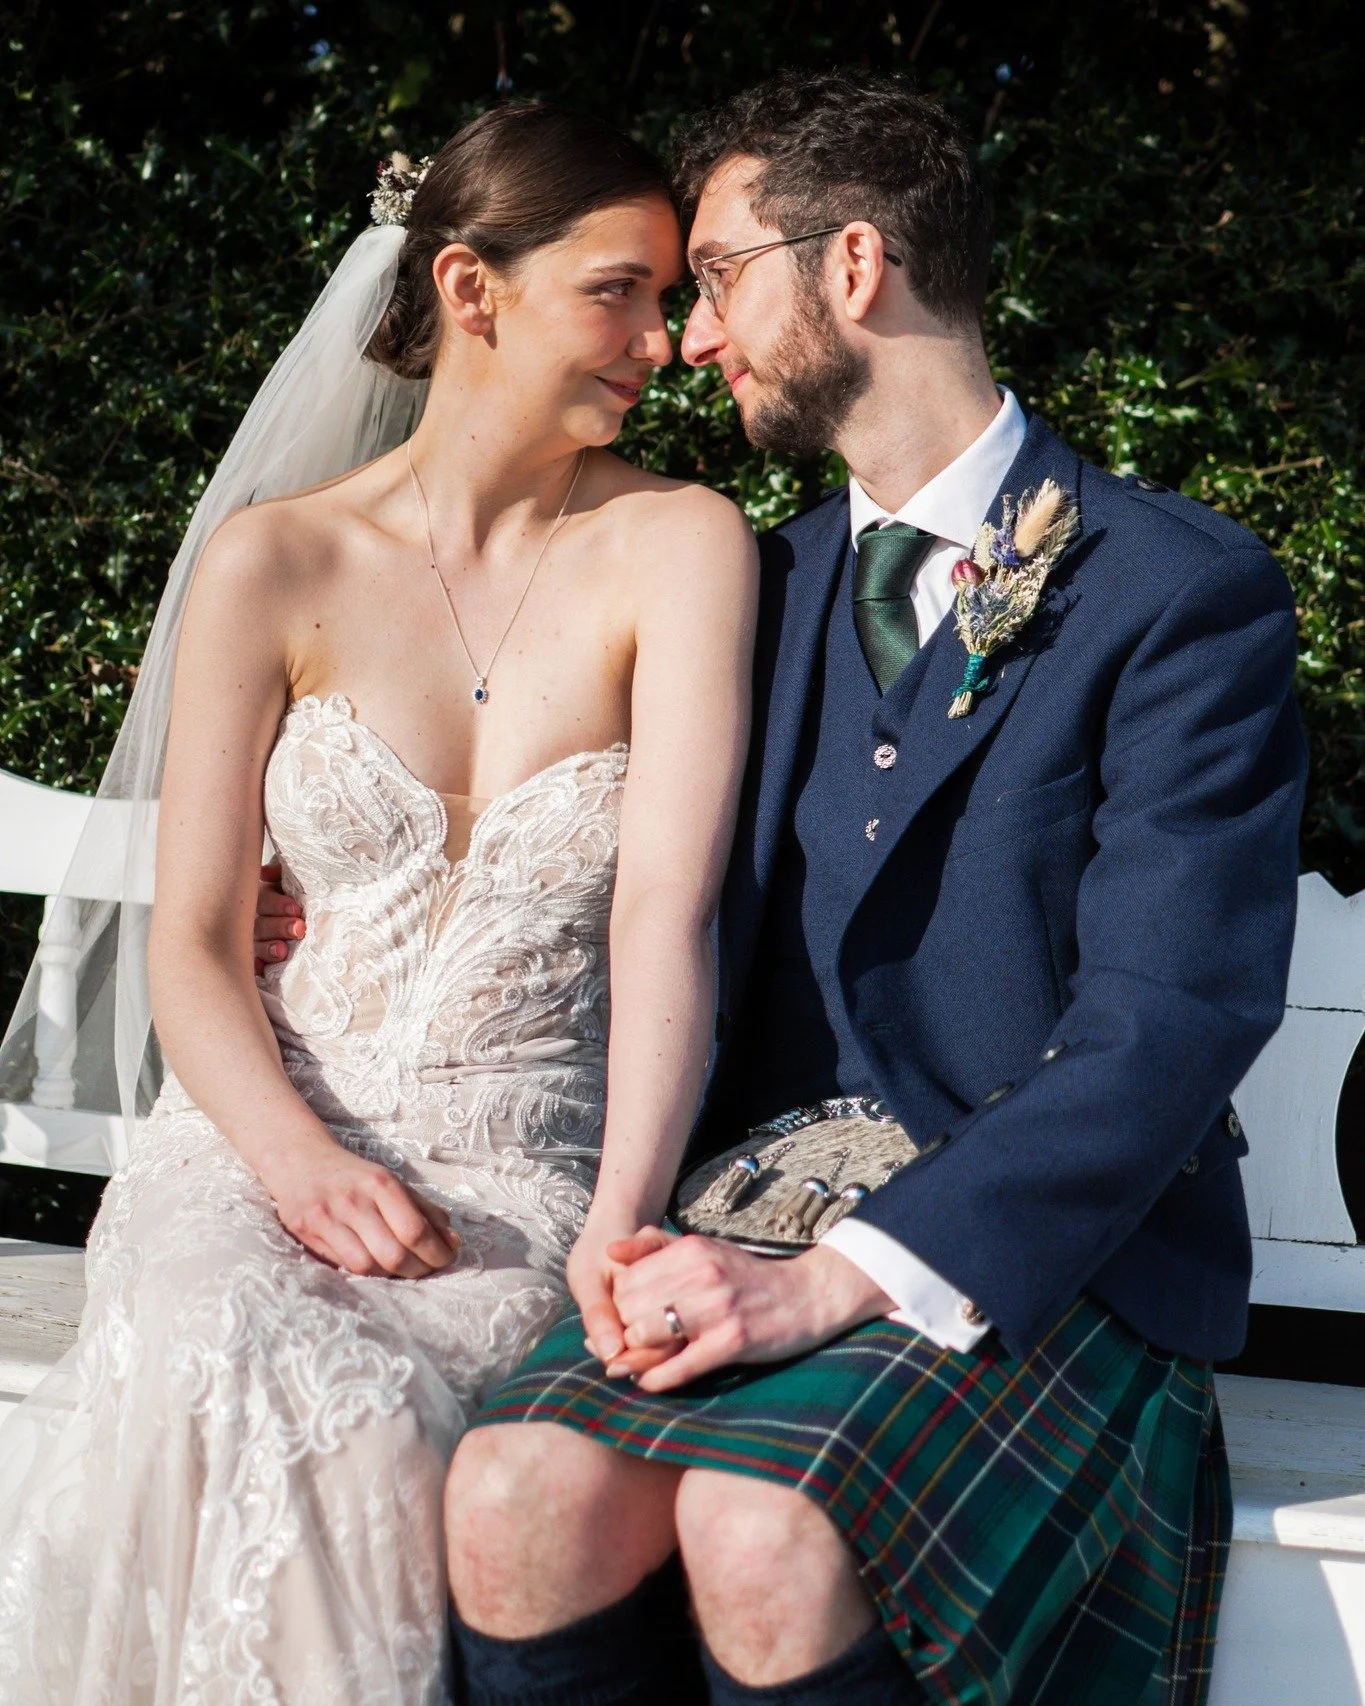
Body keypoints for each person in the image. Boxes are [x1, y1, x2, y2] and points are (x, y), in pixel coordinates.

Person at [434, 71, 1308, 1706]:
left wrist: (845, 1272)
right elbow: (533, 802)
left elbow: (1169, 1020)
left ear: (850, 267)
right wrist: (309, 896)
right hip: (734, 1222)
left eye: (712, 275)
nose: (690, 339)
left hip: (1045, 1265)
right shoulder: (742, 584)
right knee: (510, 1498)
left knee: (766, 1526)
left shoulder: (1184, 597)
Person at [0, 105, 757, 1703]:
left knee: (347, 1419)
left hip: (518, 1178)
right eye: (618, 292)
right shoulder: (274, 564)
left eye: (669, 297)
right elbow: (195, 942)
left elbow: (662, 920)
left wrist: (621, 1214)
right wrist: (296, 1158)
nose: (664, 342)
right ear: (473, 291)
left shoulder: (681, 547)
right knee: (246, 1363)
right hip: (256, 1154)